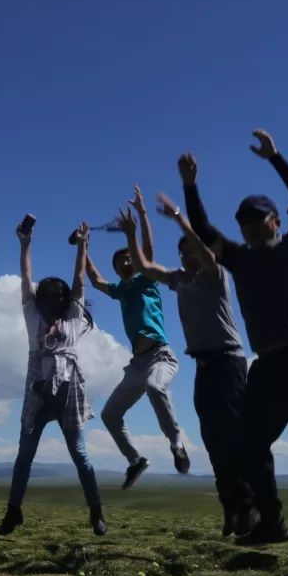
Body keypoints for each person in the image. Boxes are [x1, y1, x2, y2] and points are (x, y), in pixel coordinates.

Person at [182, 129, 288, 555]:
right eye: (244, 223)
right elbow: (202, 228)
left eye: (257, 220)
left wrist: (276, 158)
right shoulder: (238, 259)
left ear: (274, 220)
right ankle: (272, 523)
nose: (249, 228)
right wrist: (190, 186)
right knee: (247, 444)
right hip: (267, 364)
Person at [116, 195, 256, 538]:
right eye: (180, 252)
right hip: (204, 367)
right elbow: (146, 267)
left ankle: (249, 509)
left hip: (229, 363)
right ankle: (231, 514)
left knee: (235, 439)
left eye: (188, 249)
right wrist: (131, 235)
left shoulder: (215, 274)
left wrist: (180, 220)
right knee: (212, 440)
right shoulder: (179, 279)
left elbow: (206, 253)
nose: (184, 255)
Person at [0, 221, 106, 536]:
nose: (51, 301)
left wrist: (83, 245)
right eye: (45, 296)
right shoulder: (32, 316)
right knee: (25, 455)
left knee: (80, 455)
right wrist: (25, 243)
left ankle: (96, 511)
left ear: (64, 299)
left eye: (57, 296)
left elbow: (80, 279)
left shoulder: (72, 316)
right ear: (38, 300)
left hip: (68, 390)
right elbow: (26, 278)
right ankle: (13, 510)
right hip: (38, 390)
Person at [85, 186, 190, 489]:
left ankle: (176, 444)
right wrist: (84, 247)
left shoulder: (147, 279)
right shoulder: (121, 290)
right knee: (110, 414)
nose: (127, 261)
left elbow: (148, 250)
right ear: (117, 268)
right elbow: (94, 280)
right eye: (121, 261)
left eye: (131, 258)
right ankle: (135, 459)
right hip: (137, 363)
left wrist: (142, 214)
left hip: (160, 355)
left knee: (155, 388)